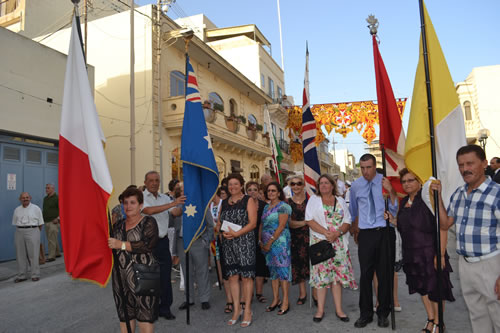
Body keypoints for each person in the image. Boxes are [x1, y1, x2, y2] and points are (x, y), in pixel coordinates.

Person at [432, 145, 500, 332]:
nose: (464, 169)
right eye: (461, 165)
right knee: (477, 316)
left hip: (491, 264)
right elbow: (446, 224)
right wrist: (437, 198)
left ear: (484, 164)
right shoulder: (459, 194)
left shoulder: (497, 193)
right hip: (466, 264)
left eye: (470, 163)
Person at [386, 168, 455, 332]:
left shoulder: (428, 199)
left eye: (411, 180)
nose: (407, 184)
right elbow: (405, 226)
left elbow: (442, 227)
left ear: (419, 182)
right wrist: (392, 219)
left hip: (430, 252)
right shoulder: (403, 202)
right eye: (404, 181)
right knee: (422, 288)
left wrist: (441, 253)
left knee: (436, 289)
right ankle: (430, 319)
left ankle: (439, 323)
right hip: (412, 254)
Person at [349, 154, 398, 328]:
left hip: (385, 231)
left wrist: (391, 190)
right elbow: (353, 210)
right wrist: (355, 230)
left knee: (385, 274)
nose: (365, 171)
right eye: (362, 168)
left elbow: (395, 208)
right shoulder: (355, 186)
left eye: (368, 167)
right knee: (365, 275)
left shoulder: (385, 182)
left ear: (374, 166)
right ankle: (366, 313)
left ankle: (383, 312)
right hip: (366, 234)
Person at [306, 174, 357, 323]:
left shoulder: (340, 200)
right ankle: (320, 310)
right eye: (321, 183)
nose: (323, 185)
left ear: (332, 185)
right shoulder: (313, 200)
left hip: (338, 244)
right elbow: (309, 219)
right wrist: (326, 233)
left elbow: (348, 220)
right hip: (320, 243)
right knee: (321, 278)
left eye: (326, 183)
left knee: (337, 279)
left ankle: (339, 310)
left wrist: (337, 233)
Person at [107, 188, 159, 333]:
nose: (128, 206)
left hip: (144, 276)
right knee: (125, 316)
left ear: (141, 205)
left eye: (132, 203)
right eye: (125, 203)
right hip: (120, 278)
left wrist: (121, 244)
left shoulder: (149, 222)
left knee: (145, 317)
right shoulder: (118, 225)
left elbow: (147, 245)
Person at [142, 171, 185, 320]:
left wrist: (185, 205)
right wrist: (173, 203)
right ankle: (151, 309)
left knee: (165, 276)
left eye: (157, 180)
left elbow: (175, 212)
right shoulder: (141, 198)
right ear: (146, 182)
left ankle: (165, 308)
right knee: (149, 278)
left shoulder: (164, 198)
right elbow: (148, 211)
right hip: (147, 244)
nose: (154, 183)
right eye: (151, 180)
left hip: (162, 241)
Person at [215, 173, 257, 328]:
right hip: (228, 244)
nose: (232, 187)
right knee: (232, 277)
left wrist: (236, 234)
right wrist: (220, 229)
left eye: (235, 184)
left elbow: (253, 223)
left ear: (241, 185)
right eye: (230, 185)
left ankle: (247, 311)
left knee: (246, 277)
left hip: (245, 243)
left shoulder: (248, 200)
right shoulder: (224, 202)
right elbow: (219, 222)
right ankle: (236, 309)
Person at [170, 182, 213, 311]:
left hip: (198, 241)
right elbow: (171, 225)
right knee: (186, 270)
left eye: (186, 189)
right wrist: (173, 213)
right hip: (182, 241)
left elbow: (210, 224)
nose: (184, 192)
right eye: (181, 190)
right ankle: (188, 299)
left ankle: (204, 298)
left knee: (202, 270)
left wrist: (206, 240)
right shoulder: (176, 205)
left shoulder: (200, 204)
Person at [260, 182, 292, 315]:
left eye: (273, 191)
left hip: (280, 243)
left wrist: (270, 242)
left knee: (283, 271)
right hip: (266, 243)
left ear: (279, 193)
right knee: (273, 272)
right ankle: (275, 299)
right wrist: (260, 241)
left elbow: (281, 226)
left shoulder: (284, 206)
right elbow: (262, 224)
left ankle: (285, 301)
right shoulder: (266, 206)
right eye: (269, 191)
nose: (271, 193)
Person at [287, 175, 310, 305]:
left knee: (312, 264)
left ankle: (316, 295)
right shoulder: (288, 202)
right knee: (298, 265)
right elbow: (289, 223)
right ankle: (302, 293)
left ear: (303, 185)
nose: (296, 186)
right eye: (293, 184)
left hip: (311, 237)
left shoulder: (311, 201)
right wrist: (305, 222)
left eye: (299, 183)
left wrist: (305, 223)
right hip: (295, 238)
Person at [246, 181, 270, 304]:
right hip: (246, 237)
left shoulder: (264, 205)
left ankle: (259, 293)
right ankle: (248, 294)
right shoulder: (243, 204)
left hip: (261, 237)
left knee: (260, 266)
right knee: (249, 267)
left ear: (258, 191)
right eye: (249, 190)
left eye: (255, 189)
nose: (252, 192)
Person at [12, 192, 44, 282]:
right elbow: (15, 222)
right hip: (19, 231)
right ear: (20, 199)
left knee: (33, 254)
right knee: (20, 254)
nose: (25, 199)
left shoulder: (36, 208)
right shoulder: (17, 210)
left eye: (27, 197)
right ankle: (22, 275)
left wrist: (35, 232)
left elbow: (40, 223)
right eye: (23, 198)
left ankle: (35, 274)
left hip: (33, 230)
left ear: (30, 198)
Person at [42, 183, 61, 262]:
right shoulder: (45, 198)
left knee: (51, 240)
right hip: (46, 221)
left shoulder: (57, 198)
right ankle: (57, 253)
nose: (46, 190)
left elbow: (63, 209)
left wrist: (58, 218)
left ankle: (51, 256)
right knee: (53, 238)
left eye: (48, 188)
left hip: (54, 222)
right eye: (46, 188)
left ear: (53, 189)